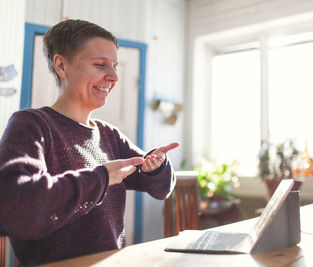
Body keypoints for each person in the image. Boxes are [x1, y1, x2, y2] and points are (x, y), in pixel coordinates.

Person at [0, 19, 179, 266]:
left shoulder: (110, 135)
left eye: (115, 66)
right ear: (62, 66)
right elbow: (18, 207)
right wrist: (102, 177)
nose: (114, 77)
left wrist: (157, 166)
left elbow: (161, 189)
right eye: (100, 65)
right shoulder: (30, 125)